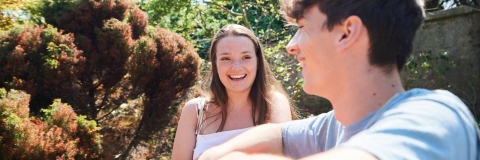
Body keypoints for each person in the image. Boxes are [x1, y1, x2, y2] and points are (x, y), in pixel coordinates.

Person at [199, 0, 480, 159]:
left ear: (347, 33)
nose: (291, 46)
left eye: (302, 27)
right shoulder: (331, 127)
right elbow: (277, 135)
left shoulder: (438, 117)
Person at [171, 24, 297, 160]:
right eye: (226, 58)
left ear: (258, 62)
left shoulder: (274, 103)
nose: (236, 67)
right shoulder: (195, 111)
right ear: (215, 64)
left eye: (246, 57)